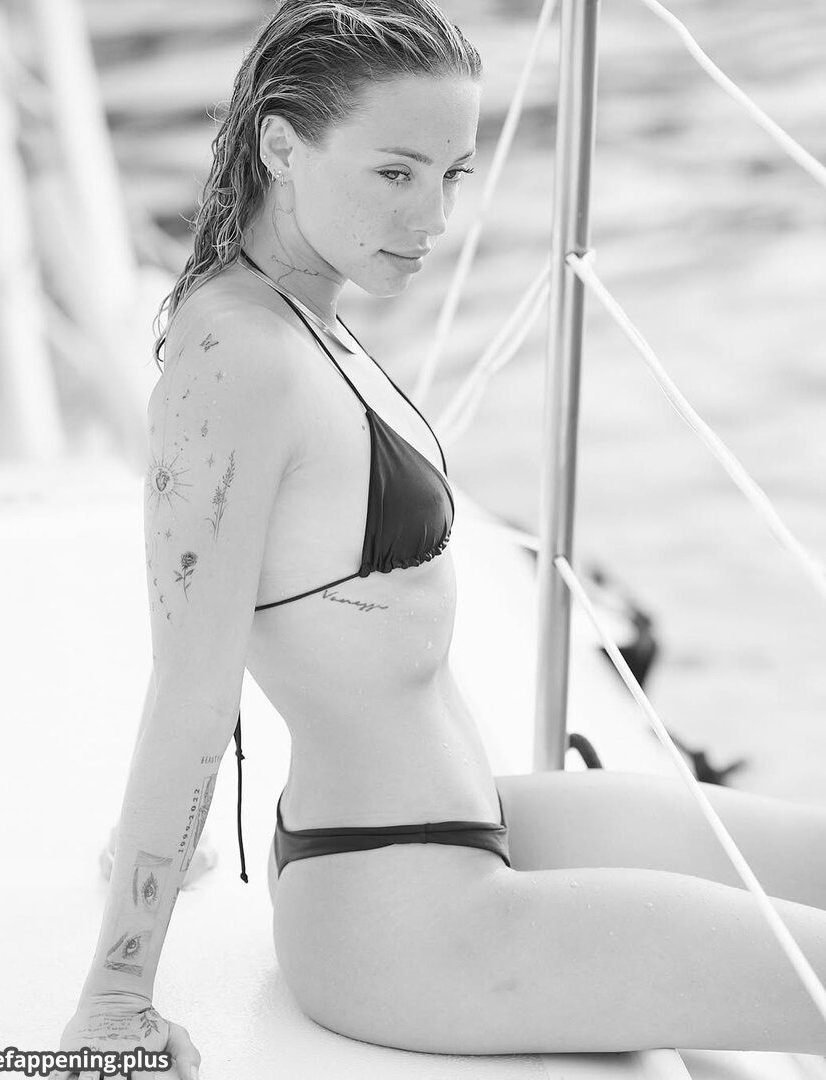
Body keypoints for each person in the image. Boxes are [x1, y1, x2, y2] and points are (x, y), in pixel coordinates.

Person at [55, 1, 826, 1074]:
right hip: (399, 911)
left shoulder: (302, 311)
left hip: (468, 825)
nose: (433, 218)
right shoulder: (239, 359)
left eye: (453, 174)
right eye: (394, 173)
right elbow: (192, 681)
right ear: (280, 146)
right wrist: (113, 1001)